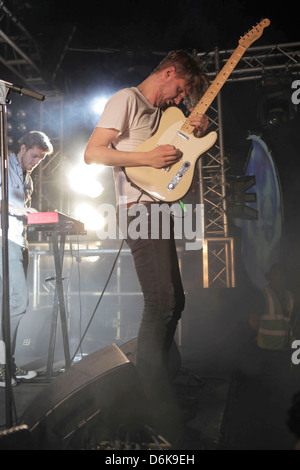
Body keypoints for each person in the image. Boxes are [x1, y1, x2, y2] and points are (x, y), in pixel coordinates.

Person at [84, 50, 209, 440]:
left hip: (158, 212)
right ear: (168, 72)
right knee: (161, 303)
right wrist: (148, 157)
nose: (179, 98)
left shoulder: (160, 114)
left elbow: (175, 153)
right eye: (181, 89)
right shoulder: (126, 99)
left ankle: (158, 392)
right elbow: (93, 153)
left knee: (176, 301)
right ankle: (154, 409)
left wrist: (197, 131)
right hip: (136, 212)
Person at [0, 131, 53, 387]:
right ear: (22, 148)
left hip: (20, 242)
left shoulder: (28, 178)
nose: (36, 162)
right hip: (3, 240)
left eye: (41, 158)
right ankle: (2, 366)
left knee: (11, 305)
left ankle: (7, 364)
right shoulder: (4, 165)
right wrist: (18, 209)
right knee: (17, 302)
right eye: (34, 156)